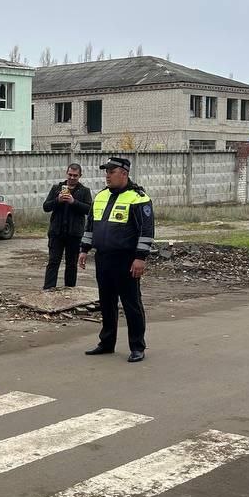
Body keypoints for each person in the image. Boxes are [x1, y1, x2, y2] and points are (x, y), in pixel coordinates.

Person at [79, 155, 154, 363]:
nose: (107, 176)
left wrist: (140, 258)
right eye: (106, 172)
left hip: (127, 259)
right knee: (106, 302)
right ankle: (107, 342)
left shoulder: (138, 198)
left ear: (124, 173)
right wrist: (84, 249)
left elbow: (146, 231)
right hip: (103, 258)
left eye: (111, 172)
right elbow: (90, 227)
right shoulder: (101, 196)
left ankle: (137, 346)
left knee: (131, 304)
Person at [41, 163, 93, 291]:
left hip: (74, 234)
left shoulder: (84, 191)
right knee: (53, 262)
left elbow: (89, 210)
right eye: (70, 174)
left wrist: (73, 202)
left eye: (75, 175)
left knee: (71, 264)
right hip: (56, 233)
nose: (72, 177)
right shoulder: (57, 188)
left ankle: (70, 290)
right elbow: (46, 207)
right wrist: (57, 200)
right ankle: (48, 290)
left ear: (80, 176)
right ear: (66, 173)